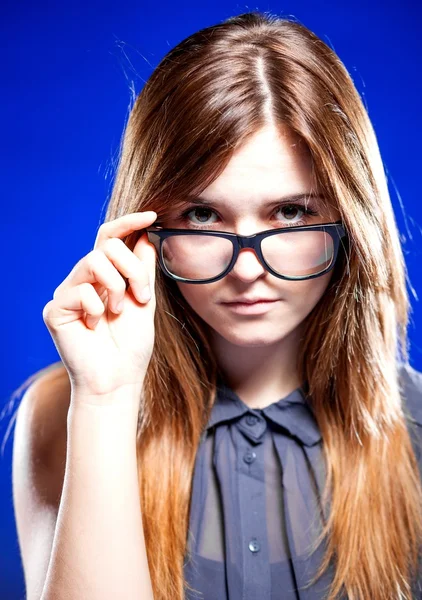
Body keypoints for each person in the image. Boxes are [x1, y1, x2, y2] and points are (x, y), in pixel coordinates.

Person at [10, 10, 422, 600]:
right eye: (203, 216)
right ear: (146, 228)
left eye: (290, 213)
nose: (249, 268)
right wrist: (103, 401)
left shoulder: (417, 428)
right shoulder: (63, 413)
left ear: (349, 220)